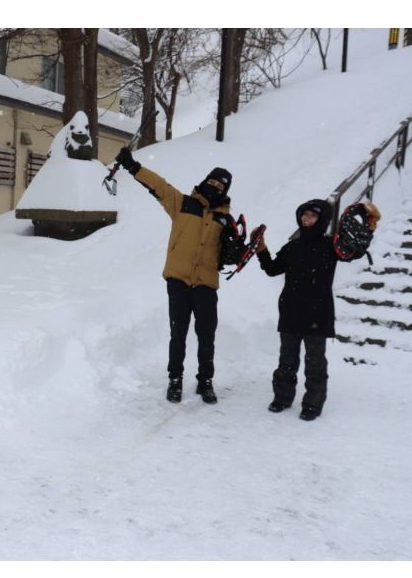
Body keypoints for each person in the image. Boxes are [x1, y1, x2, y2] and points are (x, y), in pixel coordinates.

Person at [115, 147, 234, 404]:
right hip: (178, 280)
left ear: (225, 192)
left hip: (206, 284)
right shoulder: (183, 204)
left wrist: (239, 248)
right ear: (204, 182)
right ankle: (175, 380)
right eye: (211, 181)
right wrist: (133, 167)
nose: (214, 186)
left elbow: (231, 254)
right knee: (178, 333)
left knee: (206, 336)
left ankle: (205, 381)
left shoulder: (226, 221)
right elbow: (159, 185)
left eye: (219, 185)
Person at [254, 199, 381, 421]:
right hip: (291, 310)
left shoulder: (331, 245)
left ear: (321, 219)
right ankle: (282, 398)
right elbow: (273, 269)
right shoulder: (292, 246)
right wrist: (261, 248)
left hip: (317, 312)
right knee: (286, 361)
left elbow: (356, 252)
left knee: (315, 363)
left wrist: (370, 225)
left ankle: (313, 404)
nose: (307, 219)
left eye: (312, 215)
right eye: (304, 214)